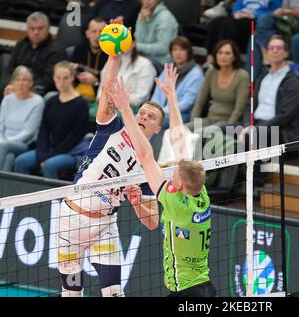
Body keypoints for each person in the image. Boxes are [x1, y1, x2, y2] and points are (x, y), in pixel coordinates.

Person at [55, 37, 165, 296]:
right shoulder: (112, 126)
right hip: (72, 219)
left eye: (151, 117)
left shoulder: (148, 163)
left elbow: (152, 222)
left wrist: (137, 201)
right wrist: (114, 57)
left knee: (114, 293)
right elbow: (107, 91)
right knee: (71, 293)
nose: (144, 117)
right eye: (142, 112)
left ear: (157, 129)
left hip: (105, 225)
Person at [109, 63, 216, 297]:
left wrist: (125, 109)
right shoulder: (200, 194)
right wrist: (172, 97)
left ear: (179, 185)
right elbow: (180, 143)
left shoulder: (175, 204)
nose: (172, 171)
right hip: (203, 287)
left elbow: (146, 156)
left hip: (187, 292)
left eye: (175, 174)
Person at [14, 61, 90, 179]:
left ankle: (53, 198)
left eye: (65, 78)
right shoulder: (51, 101)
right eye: (58, 78)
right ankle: (26, 197)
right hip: (51, 149)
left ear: (72, 78)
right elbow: (44, 130)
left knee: (49, 165)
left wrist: (50, 156)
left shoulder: (81, 104)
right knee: (21, 161)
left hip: (72, 151)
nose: (61, 82)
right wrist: (43, 154)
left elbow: (75, 137)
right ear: (54, 78)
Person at [188, 40, 249, 132]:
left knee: (200, 133)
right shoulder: (211, 72)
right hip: (210, 119)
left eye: (227, 53)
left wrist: (227, 128)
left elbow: (239, 109)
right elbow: (199, 102)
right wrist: (193, 123)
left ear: (234, 57)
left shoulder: (242, 75)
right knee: (181, 130)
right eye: (220, 53)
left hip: (228, 122)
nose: (223, 56)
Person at [1, 12, 67, 96]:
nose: (36, 32)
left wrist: (23, 88)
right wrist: (9, 85)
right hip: (16, 87)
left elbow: (48, 80)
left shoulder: (56, 50)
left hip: (39, 90)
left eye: (40, 28)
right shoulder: (21, 44)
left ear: (48, 29)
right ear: (27, 30)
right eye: (32, 28)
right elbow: (9, 70)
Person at [151, 36, 204, 129]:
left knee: (154, 122)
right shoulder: (168, 69)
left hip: (182, 114)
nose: (178, 53)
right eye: (175, 49)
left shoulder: (196, 73)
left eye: (182, 49)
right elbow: (157, 95)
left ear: (188, 52)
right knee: (141, 117)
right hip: (161, 111)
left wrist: (162, 112)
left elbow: (187, 102)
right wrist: (153, 109)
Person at [0, 66, 44, 171]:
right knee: (9, 156)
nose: (21, 83)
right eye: (18, 80)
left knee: (5, 147)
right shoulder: (7, 99)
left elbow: (28, 132)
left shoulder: (38, 101)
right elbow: (1, 125)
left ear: (31, 83)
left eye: (25, 80)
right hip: (3, 143)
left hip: (24, 144)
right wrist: (2, 141)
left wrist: (5, 142)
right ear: (12, 82)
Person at [97, 39, 156, 110]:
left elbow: (140, 97)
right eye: (119, 41)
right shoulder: (110, 62)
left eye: (125, 40)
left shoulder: (145, 65)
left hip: (131, 109)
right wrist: (103, 99)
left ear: (133, 43)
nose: (121, 44)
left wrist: (115, 101)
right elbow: (101, 89)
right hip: (106, 105)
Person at [134, 0, 179, 71]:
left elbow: (163, 48)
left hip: (161, 63)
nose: (147, 0)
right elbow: (138, 40)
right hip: (143, 58)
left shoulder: (165, 17)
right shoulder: (142, 13)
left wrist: (136, 46)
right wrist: (142, 21)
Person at [70, 17, 108, 102]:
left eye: (101, 32)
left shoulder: (110, 53)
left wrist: (96, 81)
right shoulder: (80, 48)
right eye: (94, 31)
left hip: (99, 96)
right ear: (87, 33)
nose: (97, 35)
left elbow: (110, 83)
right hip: (77, 91)